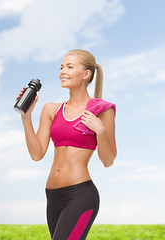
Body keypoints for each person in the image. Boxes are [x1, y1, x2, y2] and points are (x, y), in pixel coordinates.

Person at [16, 49, 117, 240]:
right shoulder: (51, 109)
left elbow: (108, 160)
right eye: (62, 67)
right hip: (52, 196)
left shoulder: (101, 111)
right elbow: (37, 154)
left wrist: (100, 130)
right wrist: (26, 116)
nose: (63, 71)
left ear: (86, 74)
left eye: (70, 67)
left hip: (81, 196)